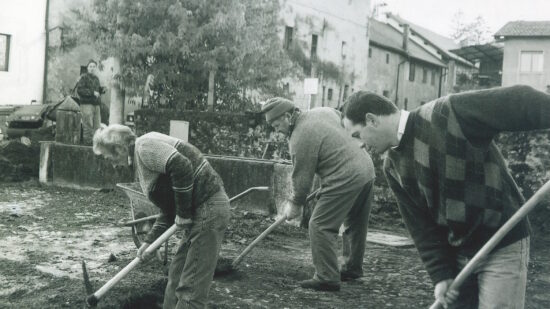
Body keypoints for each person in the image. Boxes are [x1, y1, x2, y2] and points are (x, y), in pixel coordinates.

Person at [343, 85, 550, 308]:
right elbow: (421, 227)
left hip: (502, 239)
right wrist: (441, 274)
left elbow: (518, 100)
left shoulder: (449, 112)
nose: (360, 144)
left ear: (372, 120)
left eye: (357, 135)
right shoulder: (391, 166)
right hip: (458, 252)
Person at [92, 124, 230, 309]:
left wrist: (182, 213)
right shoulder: (141, 161)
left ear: (118, 149)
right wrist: (150, 241)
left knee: (191, 287)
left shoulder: (144, 147)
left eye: (107, 156)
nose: (110, 162)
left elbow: (182, 166)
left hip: (208, 207)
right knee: (176, 276)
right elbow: (169, 208)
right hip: (199, 210)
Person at [261, 98, 375, 291]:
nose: (276, 130)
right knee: (355, 221)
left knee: (320, 225)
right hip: (366, 169)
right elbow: (347, 128)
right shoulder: (323, 111)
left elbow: (302, 180)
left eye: (276, 124)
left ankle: (327, 277)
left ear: (287, 117)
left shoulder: (298, 138)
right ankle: (352, 268)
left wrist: (295, 204)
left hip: (345, 176)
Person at [76, 60, 105, 145]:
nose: (92, 68)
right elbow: (80, 90)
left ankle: (95, 146)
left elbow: (97, 91)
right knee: (88, 126)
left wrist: (102, 90)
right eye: (90, 66)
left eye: (94, 66)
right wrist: (92, 93)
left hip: (96, 105)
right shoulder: (83, 77)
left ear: (96, 68)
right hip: (86, 104)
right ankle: (87, 146)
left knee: (97, 127)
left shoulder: (96, 79)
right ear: (87, 68)